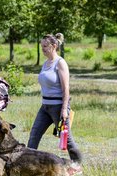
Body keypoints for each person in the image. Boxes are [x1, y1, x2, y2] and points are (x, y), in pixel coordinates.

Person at [27, 32, 82, 166]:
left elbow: (66, 88)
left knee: (67, 138)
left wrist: (64, 109)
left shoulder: (60, 63)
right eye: (42, 46)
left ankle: (77, 164)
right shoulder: (45, 63)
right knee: (34, 134)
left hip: (58, 107)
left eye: (45, 46)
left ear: (54, 46)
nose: (43, 49)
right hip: (45, 106)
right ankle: (27, 163)